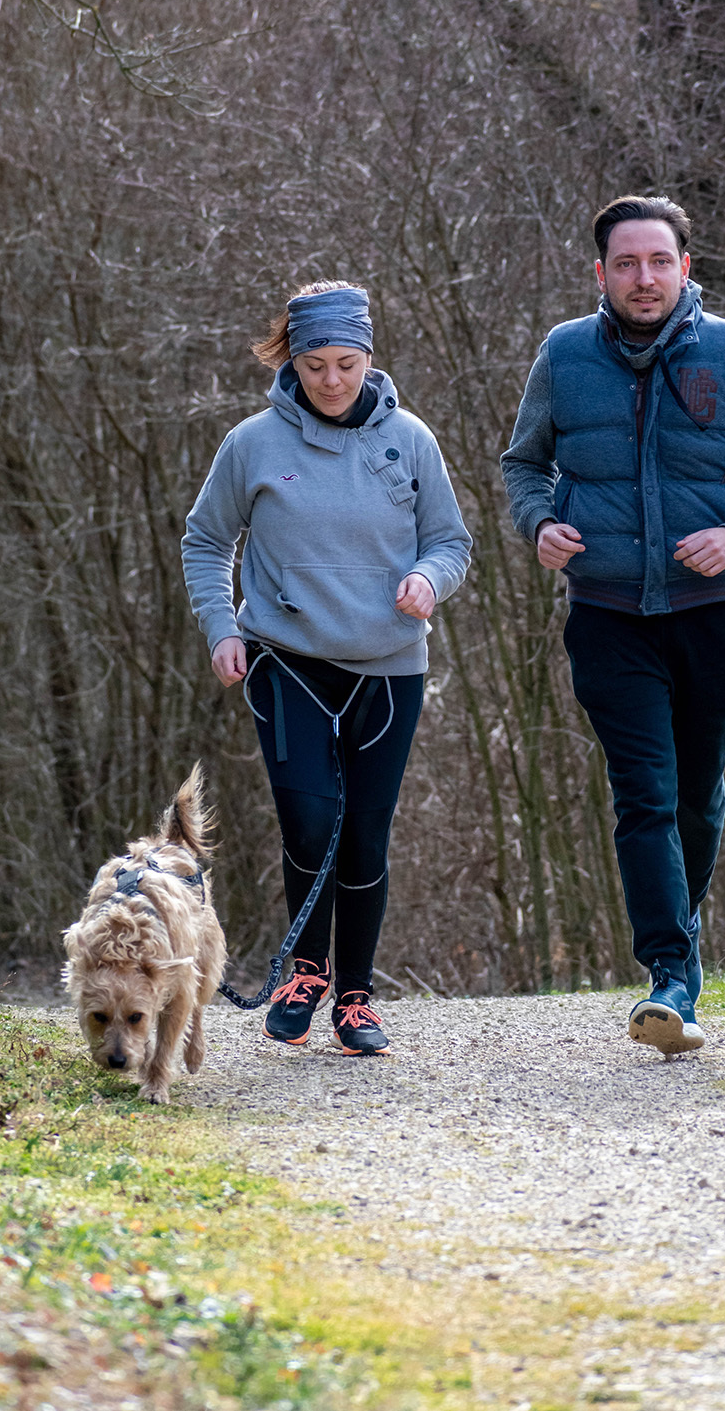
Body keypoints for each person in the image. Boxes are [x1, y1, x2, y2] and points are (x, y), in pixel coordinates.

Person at [501, 195, 725, 1055]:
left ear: (685, 268)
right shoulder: (565, 357)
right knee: (643, 792)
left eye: (659, 261)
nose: (644, 277)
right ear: (599, 273)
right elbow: (522, 462)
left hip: (712, 615)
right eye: (626, 263)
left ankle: (680, 938)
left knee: (697, 793)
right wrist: (537, 524)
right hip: (607, 615)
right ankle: (670, 976)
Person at [181, 282, 471, 1055]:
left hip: (387, 666)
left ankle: (355, 996)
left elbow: (452, 542)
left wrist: (427, 580)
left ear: (369, 359)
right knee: (310, 820)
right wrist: (221, 629)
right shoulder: (252, 444)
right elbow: (206, 540)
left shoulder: (409, 440)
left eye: (346, 363)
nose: (332, 380)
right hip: (287, 661)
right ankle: (301, 972)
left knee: (366, 835)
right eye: (315, 365)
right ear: (293, 363)